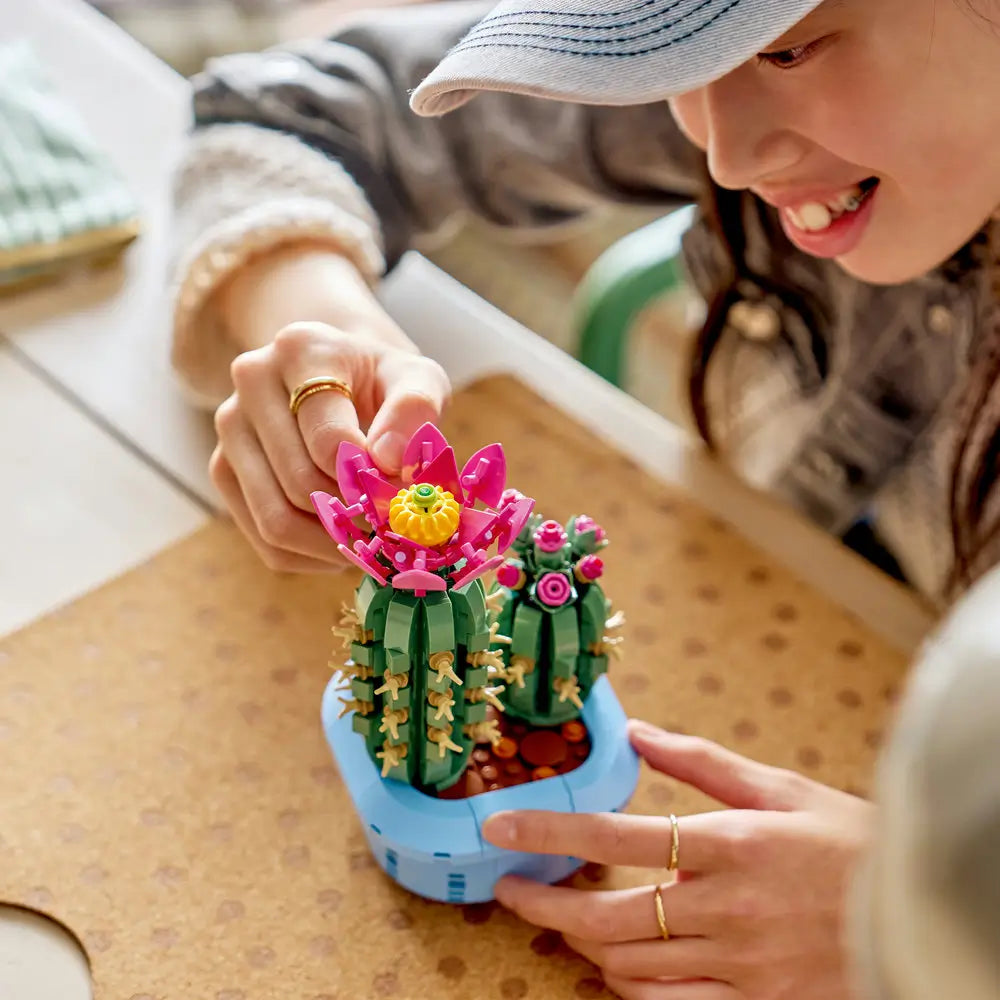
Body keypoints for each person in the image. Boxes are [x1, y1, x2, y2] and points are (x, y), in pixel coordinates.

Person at [167, 0, 1000, 996]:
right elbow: (279, 111)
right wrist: (317, 330)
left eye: (783, 47)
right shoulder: (729, 100)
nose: (724, 156)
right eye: (672, 49)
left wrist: (914, 920)